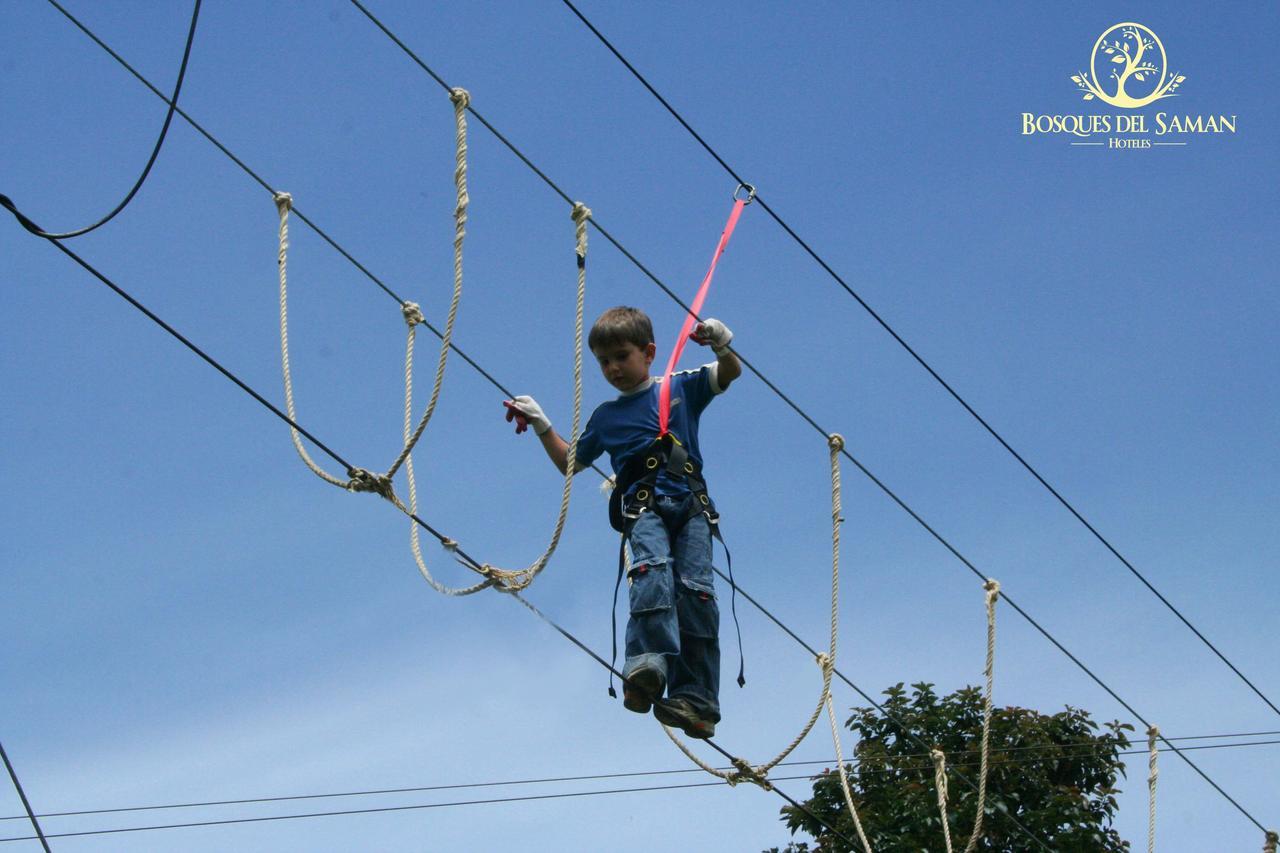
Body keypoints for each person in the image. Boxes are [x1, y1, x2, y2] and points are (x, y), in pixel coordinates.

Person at [504, 306, 740, 738]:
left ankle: (698, 698)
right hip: (644, 505)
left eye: (622, 356)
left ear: (649, 353)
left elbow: (729, 373)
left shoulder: (680, 389)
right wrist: (542, 425)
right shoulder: (607, 418)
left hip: (690, 505)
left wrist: (723, 343)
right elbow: (570, 463)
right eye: (604, 362)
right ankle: (646, 665)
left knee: (697, 595)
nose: (613, 368)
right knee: (652, 574)